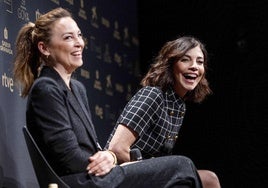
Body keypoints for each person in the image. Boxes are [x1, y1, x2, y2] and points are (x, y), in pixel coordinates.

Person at [13, 7, 203, 188]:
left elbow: (92, 150)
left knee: (182, 174)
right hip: (81, 181)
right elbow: (69, 159)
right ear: (44, 48)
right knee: (182, 166)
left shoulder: (77, 88)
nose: (79, 42)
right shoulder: (45, 89)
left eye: (79, 35)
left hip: (95, 176)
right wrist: (111, 163)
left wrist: (110, 159)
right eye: (68, 37)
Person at [105, 36, 221, 188]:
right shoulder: (153, 95)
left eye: (200, 62)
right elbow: (117, 148)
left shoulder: (179, 106)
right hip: (120, 176)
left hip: (148, 176)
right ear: (171, 64)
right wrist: (152, 174)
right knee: (206, 179)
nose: (194, 66)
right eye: (185, 60)